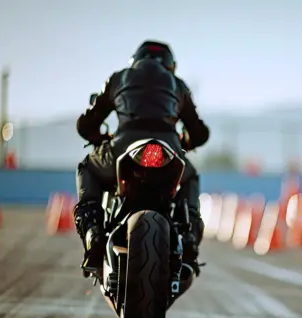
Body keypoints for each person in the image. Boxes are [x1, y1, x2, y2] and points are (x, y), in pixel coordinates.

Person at [73, 40, 209, 279]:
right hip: (170, 150)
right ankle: (189, 238)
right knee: (190, 176)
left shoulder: (119, 78)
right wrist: (185, 141)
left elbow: (86, 124)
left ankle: (93, 230)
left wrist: (99, 136)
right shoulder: (178, 86)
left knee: (88, 167)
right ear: (170, 65)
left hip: (123, 146)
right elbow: (199, 133)